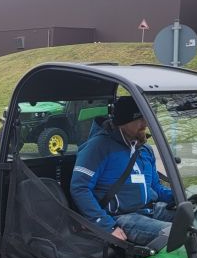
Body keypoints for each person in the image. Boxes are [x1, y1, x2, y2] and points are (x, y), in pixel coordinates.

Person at [70, 96, 175, 245]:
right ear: (123, 122)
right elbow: (80, 188)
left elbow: (155, 187)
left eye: (147, 118)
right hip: (121, 217)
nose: (145, 124)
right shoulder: (98, 147)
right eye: (140, 119)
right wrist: (107, 226)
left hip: (150, 209)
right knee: (177, 235)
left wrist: (179, 199)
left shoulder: (145, 149)